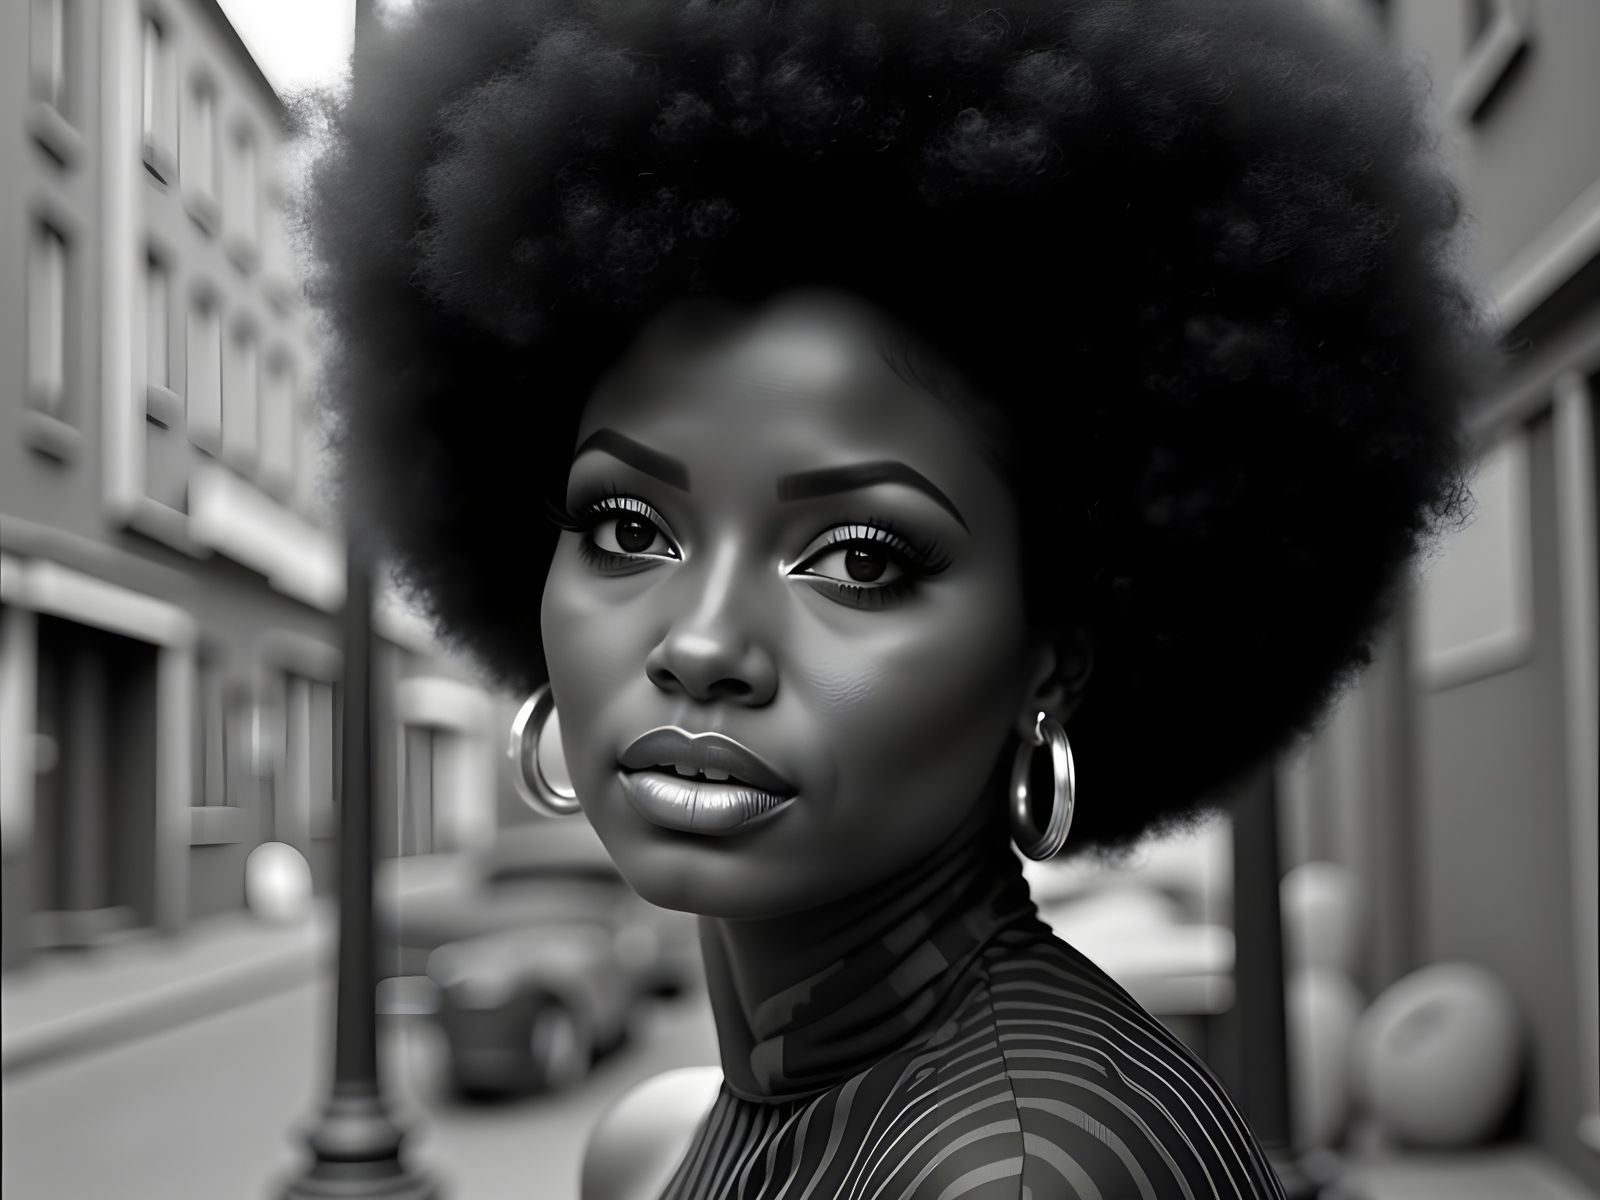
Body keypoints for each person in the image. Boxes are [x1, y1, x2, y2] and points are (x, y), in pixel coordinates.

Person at [297, 0, 1492, 1195]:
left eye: (860, 559)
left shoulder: (1018, 1175)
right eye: (628, 529)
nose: (702, 644)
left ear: (1051, 652)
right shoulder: (681, 1140)